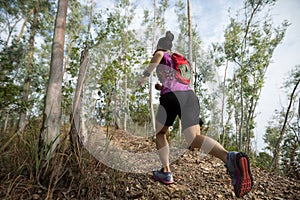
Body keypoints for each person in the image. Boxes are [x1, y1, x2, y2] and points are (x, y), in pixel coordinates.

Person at [138, 31, 253, 198]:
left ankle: (166, 171)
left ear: (161, 46)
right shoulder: (178, 60)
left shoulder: (161, 52)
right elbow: (176, 81)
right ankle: (229, 157)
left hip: (171, 97)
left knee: (161, 133)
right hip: (190, 96)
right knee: (194, 138)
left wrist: (144, 77)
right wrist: (160, 87)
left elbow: (156, 59)